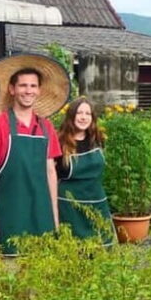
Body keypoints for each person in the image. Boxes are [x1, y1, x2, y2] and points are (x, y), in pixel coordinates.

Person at [0, 53, 70, 255]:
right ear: (12, 89)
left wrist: (55, 217)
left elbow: (50, 173)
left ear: (38, 90)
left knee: (42, 276)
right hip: (10, 215)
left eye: (33, 86)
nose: (28, 91)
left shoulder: (46, 126)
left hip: (42, 214)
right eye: (23, 85)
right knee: (10, 275)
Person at [57, 97, 113, 244]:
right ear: (71, 116)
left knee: (102, 248)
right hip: (69, 206)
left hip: (96, 200)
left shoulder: (98, 139)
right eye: (79, 113)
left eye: (87, 113)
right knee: (73, 251)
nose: (83, 117)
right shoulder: (60, 142)